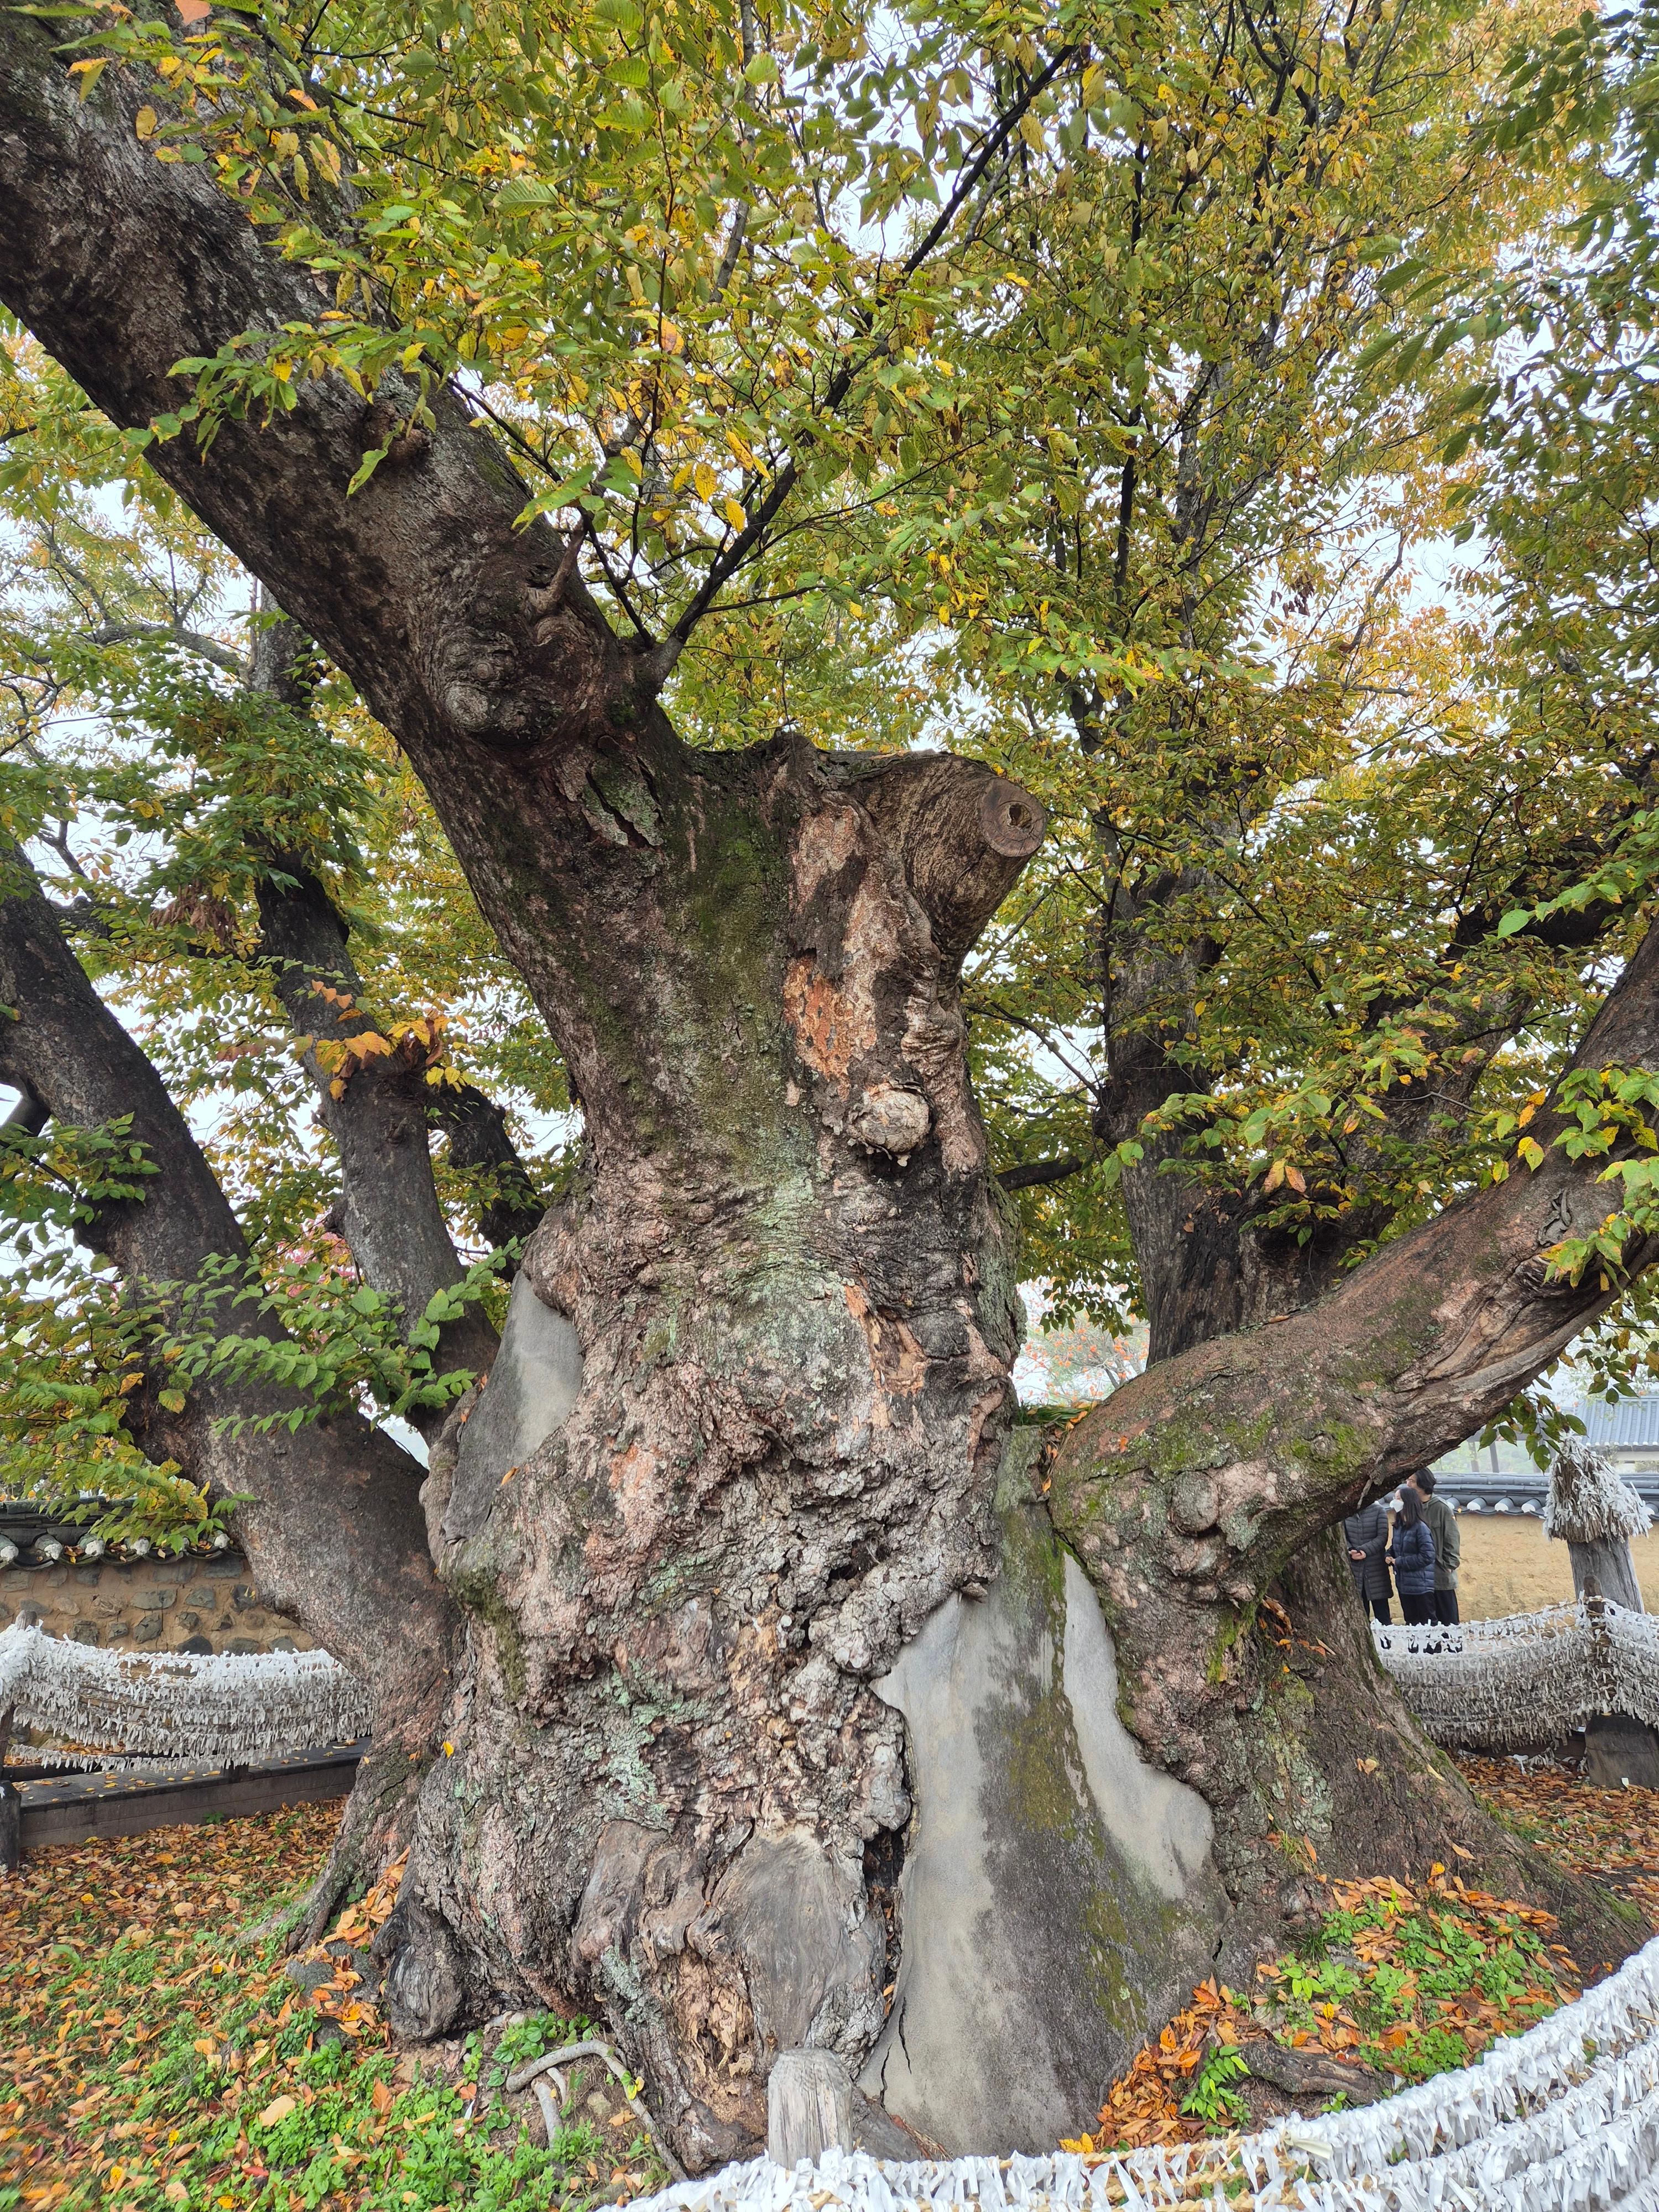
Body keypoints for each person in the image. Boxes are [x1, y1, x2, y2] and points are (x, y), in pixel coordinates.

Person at [1412, 1469, 1460, 1625]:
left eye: (1412, 1481)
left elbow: (1452, 1537)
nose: (1408, 1485)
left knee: (1448, 1618)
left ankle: (1454, 1649)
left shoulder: (1441, 1507)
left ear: (1422, 1484)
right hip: (1419, 1576)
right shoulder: (1412, 1507)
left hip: (1440, 1571)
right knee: (1426, 1621)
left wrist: (1449, 1565)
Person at [1390, 1485, 1438, 1625]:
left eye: (1398, 1499)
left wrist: (1399, 1562)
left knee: (1427, 1623)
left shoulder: (1420, 1528)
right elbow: (1397, 1548)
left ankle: (1432, 1648)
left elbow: (1428, 1556)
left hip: (1421, 1586)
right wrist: (1389, 1555)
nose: (1395, 1502)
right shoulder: (1399, 1527)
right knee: (1411, 1623)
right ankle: (1414, 1648)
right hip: (1404, 1585)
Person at [1343, 1499, 1393, 1623]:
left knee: (1383, 1615)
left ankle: (1385, 1642)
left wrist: (1364, 1550)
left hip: (1376, 1569)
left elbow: (1382, 1537)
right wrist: (1351, 1550)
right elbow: (1342, 1536)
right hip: (1355, 1569)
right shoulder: (1346, 1513)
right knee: (1361, 1615)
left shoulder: (1379, 1510)